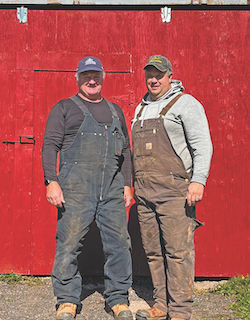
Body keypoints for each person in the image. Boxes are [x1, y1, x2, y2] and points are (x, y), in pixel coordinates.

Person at [42, 56, 133, 320]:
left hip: (112, 189)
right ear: (77, 78)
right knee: (69, 244)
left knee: (119, 244)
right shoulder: (64, 108)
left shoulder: (116, 110)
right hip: (76, 190)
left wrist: (127, 184)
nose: (91, 80)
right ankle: (67, 299)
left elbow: (125, 150)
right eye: (86, 76)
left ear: (102, 78)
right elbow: (50, 146)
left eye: (95, 76)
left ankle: (118, 297)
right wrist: (52, 181)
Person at [131, 55, 213, 320]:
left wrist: (198, 180)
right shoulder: (141, 108)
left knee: (178, 253)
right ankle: (161, 305)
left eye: (159, 75)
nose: (153, 80)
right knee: (153, 252)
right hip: (145, 193)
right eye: (150, 75)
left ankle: (180, 311)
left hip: (175, 192)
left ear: (170, 75)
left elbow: (203, 145)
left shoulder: (186, 104)